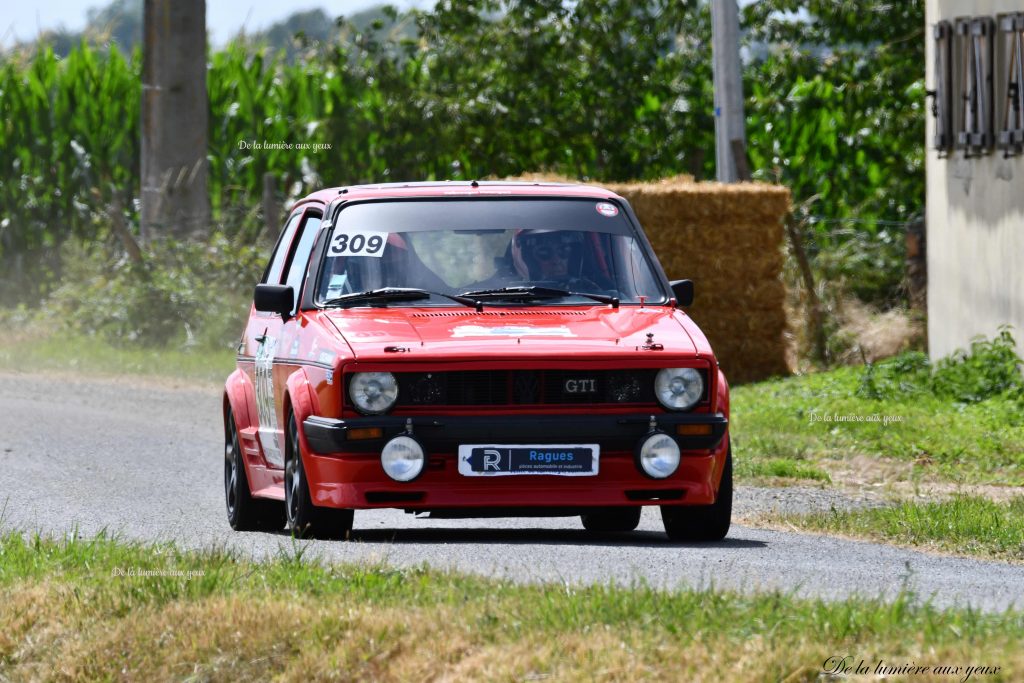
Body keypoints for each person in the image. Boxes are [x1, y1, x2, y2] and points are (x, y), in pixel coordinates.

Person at [511, 230, 585, 283]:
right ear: (529, 260)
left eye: (563, 251)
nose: (556, 261)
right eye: (544, 253)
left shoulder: (589, 289)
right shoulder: (512, 289)